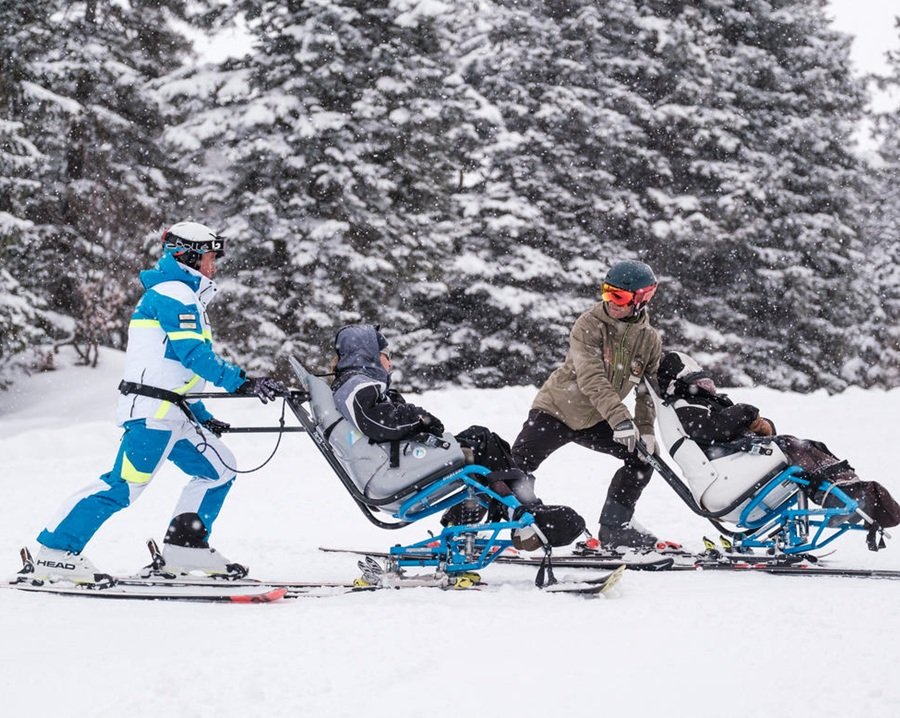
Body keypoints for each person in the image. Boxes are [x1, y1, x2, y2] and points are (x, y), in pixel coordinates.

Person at [32, 221, 286, 583]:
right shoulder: (173, 293)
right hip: (152, 415)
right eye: (210, 257)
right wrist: (241, 382)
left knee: (219, 470)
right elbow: (192, 354)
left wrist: (201, 413)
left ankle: (185, 547)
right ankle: (55, 553)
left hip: (175, 414)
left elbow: (174, 370)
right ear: (188, 256)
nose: (214, 266)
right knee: (122, 486)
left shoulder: (186, 295)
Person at [329, 324, 585, 550]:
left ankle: (494, 516)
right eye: (386, 355)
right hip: (394, 472)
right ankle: (524, 513)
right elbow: (377, 422)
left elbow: (378, 420)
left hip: (394, 464)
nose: (390, 363)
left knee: (487, 447)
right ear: (368, 355)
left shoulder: (354, 384)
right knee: (482, 442)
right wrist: (419, 417)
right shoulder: (357, 384)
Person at [656, 351, 900, 541]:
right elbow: (712, 430)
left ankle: (847, 491)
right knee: (797, 447)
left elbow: (725, 428)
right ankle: (846, 495)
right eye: (702, 383)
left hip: (734, 465)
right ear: (682, 382)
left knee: (806, 448)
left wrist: (758, 425)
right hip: (726, 475)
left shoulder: (696, 402)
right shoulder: (684, 404)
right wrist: (747, 413)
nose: (709, 388)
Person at [510, 260, 663, 551]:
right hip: (556, 410)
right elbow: (591, 378)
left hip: (597, 420)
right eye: (607, 292)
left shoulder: (649, 341)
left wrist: (645, 430)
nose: (610, 302)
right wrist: (620, 419)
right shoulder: (589, 324)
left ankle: (616, 528)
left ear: (641, 299)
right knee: (513, 469)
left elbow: (646, 392)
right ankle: (499, 528)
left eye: (619, 297)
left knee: (643, 459)